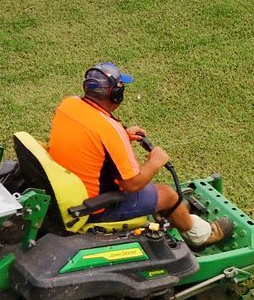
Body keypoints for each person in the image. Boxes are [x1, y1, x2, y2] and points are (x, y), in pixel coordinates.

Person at [46, 63, 230, 248]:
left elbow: (87, 136)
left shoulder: (69, 104)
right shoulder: (110, 131)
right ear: (115, 94)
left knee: (156, 193)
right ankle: (199, 235)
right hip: (94, 207)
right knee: (167, 194)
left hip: (66, 190)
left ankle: (168, 214)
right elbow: (132, 184)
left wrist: (123, 136)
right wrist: (155, 162)